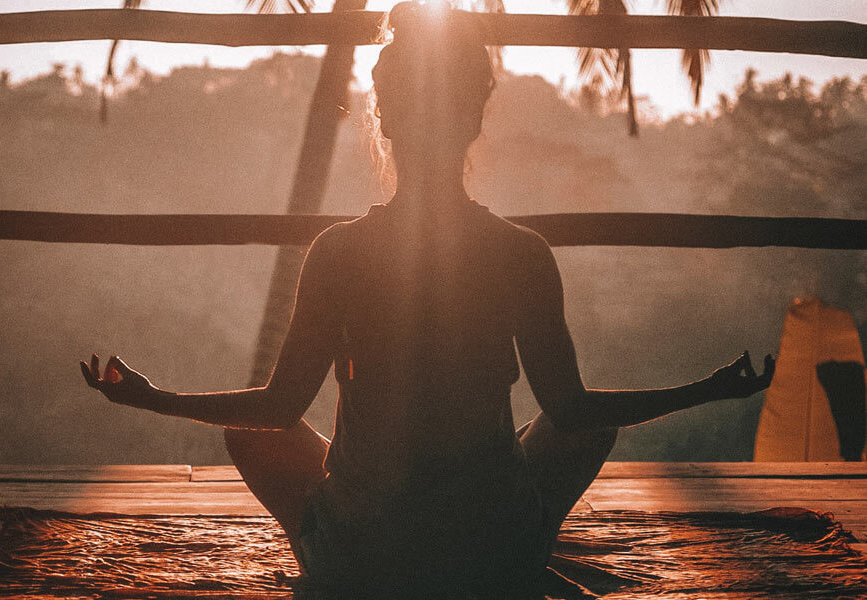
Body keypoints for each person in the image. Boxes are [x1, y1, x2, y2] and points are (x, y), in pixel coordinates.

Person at [81, 3, 775, 598]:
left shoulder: (339, 252)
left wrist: (153, 397)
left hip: (367, 558)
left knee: (252, 434)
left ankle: (333, 562)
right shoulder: (520, 252)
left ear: (384, 119)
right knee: (587, 426)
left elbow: (277, 409)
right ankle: (520, 553)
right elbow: (572, 410)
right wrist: (708, 389)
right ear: (474, 120)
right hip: (488, 552)